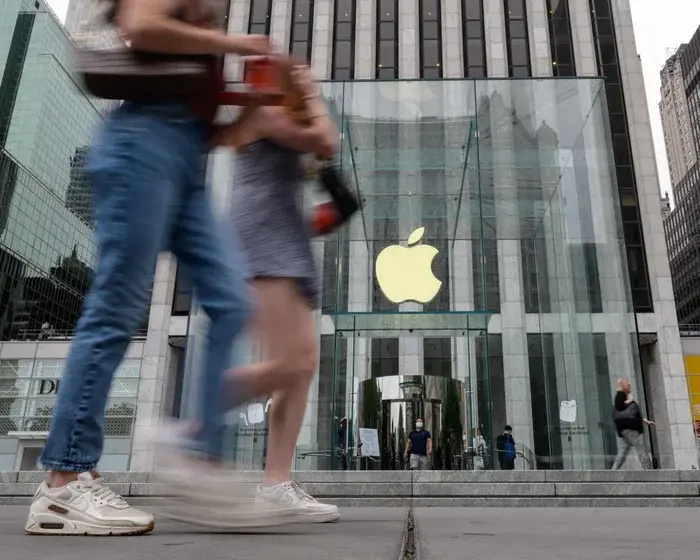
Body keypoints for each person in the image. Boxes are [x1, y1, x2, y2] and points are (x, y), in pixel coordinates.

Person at [25, 0, 270, 536]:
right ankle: (64, 482)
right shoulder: (199, 25)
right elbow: (139, 24)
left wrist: (254, 106)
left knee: (232, 301)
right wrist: (236, 44)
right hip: (141, 147)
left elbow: (220, 137)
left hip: (187, 166)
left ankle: (197, 454)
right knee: (117, 307)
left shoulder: (203, 32)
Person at [220, 60, 340, 523]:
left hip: (284, 240)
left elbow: (316, 157)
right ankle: (194, 414)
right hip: (262, 240)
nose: (307, 78)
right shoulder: (266, 112)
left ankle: (276, 482)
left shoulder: (278, 119)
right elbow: (327, 140)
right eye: (298, 74)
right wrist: (310, 94)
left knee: (302, 363)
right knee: (291, 362)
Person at [612, 377, 654, 470]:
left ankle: (614, 470)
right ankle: (648, 469)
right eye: (628, 384)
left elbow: (633, 413)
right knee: (640, 447)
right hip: (629, 429)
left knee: (623, 451)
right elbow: (619, 407)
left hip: (627, 429)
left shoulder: (625, 396)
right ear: (623, 386)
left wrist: (645, 420)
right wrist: (629, 401)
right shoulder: (620, 395)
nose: (630, 386)